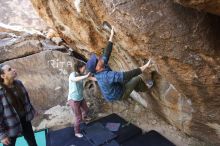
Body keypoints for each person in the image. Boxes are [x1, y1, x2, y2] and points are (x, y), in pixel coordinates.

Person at [86, 27, 154, 102]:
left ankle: (137, 87)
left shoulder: (99, 68)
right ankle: (146, 88)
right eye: (97, 61)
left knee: (127, 80)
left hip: (114, 89)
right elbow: (126, 75)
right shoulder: (106, 76)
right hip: (119, 95)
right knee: (137, 79)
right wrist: (145, 66)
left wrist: (111, 35)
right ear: (97, 68)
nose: (99, 58)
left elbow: (106, 53)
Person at [0, 64, 37, 146]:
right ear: (3, 76)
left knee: (33, 143)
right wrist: (2, 135)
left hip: (25, 120)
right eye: (9, 69)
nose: (14, 70)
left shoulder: (19, 83)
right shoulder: (1, 92)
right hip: (10, 126)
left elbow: (26, 100)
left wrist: (32, 110)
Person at [67, 61, 93, 138]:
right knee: (78, 117)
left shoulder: (81, 74)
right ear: (79, 68)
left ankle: (84, 119)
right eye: (83, 68)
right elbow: (74, 79)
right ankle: (76, 132)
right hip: (74, 99)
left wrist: (100, 79)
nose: (85, 70)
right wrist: (85, 76)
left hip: (80, 97)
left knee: (86, 110)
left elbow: (90, 77)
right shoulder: (73, 74)